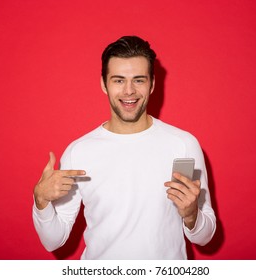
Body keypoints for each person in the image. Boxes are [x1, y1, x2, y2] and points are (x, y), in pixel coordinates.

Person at [32, 36, 216, 259]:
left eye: (138, 80)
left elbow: (205, 237)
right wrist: (40, 201)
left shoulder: (183, 144)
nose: (129, 91)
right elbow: (54, 240)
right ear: (103, 84)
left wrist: (191, 214)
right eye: (118, 80)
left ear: (152, 84)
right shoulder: (79, 152)